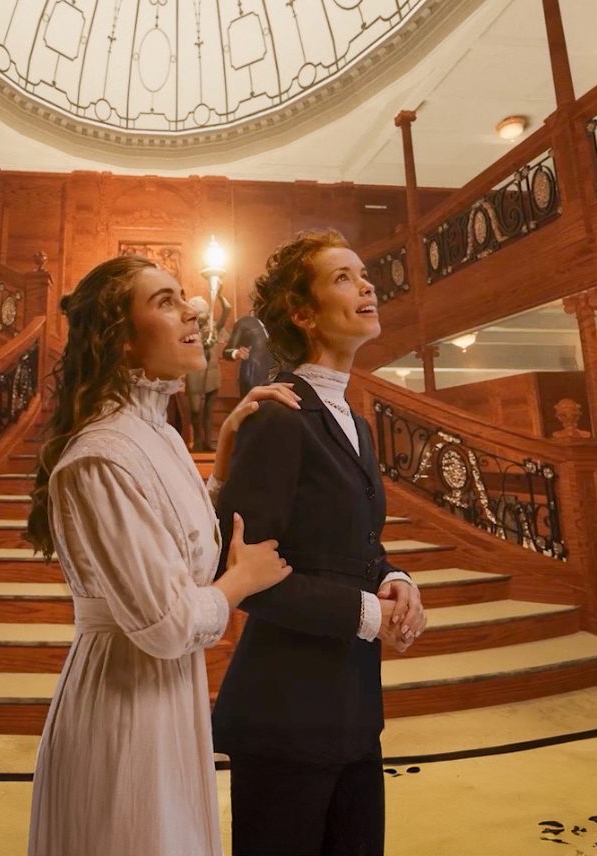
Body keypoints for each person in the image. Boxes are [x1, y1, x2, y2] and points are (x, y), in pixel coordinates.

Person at [24, 255, 298, 856]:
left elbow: (178, 539)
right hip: (124, 707)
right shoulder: (100, 456)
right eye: (166, 301)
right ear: (121, 341)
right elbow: (169, 623)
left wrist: (223, 452)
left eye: (185, 296)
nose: (194, 309)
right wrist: (240, 582)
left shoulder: (162, 433)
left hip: (168, 696)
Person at [214, 230, 426, 856]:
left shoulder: (355, 421)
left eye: (364, 273)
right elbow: (246, 573)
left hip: (354, 702)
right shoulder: (276, 415)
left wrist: (396, 580)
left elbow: (354, 543)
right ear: (302, 314)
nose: (366, 285)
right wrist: (368, 614)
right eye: (342, 278)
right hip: (285, 709)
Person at [182, 294, 225, 452]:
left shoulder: (213, 327)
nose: (200, 316)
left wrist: (218, 293)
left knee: (209, 410)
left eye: (202, 313)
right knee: (195, 410)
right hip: (193, 373)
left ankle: (207, 441)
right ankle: (198, 441)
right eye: (197, 313)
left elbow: (227, 311)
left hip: (212, 373)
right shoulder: (187, 329)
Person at [224, 306, 274, 396]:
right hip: (252, 375)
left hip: (270, 375)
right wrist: (237, 353)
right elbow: (226, 351)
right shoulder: (245, 323)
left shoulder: (274, 325)